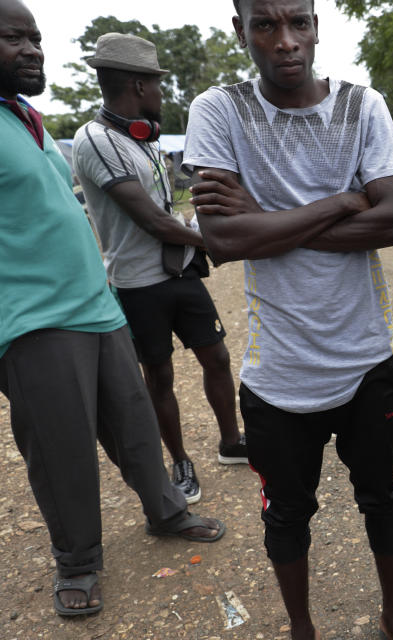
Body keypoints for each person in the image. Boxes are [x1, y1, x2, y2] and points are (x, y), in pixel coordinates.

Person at [182, 1, 393, 639]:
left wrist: (264, 217)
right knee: (286, 516)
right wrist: (348, 199)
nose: (286, 41)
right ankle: (301, 629)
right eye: (266, 25)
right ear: (241, 31)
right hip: (278, 375)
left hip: (368, 358)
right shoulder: (219, 111)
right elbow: (222, 240)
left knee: (385, 497)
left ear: (318, 24)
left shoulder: (362, 107)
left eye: (299, 22)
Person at [0, 0, 225, 619]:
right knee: (60, 445)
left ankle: (166, 511)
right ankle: (77, 561)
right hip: (34, 320)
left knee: (132, 421)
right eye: (12, 37)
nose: (31, 49)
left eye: (35, 37)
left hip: (95, 305)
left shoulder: (25, 119)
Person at [72, 33, 247, 506]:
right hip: (138, 283)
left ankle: (232, 441)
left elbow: (171, 203)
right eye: (156, 84)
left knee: (218, 358)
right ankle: (180, 460)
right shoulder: (96, 140)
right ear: (137, 85)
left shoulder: (142, 137)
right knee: (161, 376)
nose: (161, 94)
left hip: (179, 271)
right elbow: (150, 219)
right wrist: (217, 241)